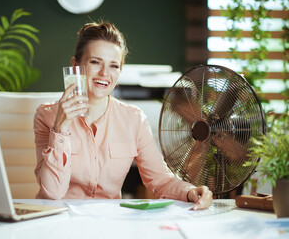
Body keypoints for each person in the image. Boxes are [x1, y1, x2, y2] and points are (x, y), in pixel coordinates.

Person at [33, 21, 213, 210]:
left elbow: (160, 180)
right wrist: (60, 129)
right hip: (60, 221)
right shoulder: (47, 115)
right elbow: (52, 193)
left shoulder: (134, 119)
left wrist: (190, 191)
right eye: (95, 62)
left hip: (109, 222)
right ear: (75, 65)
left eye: (114, 66)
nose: (104, 73)